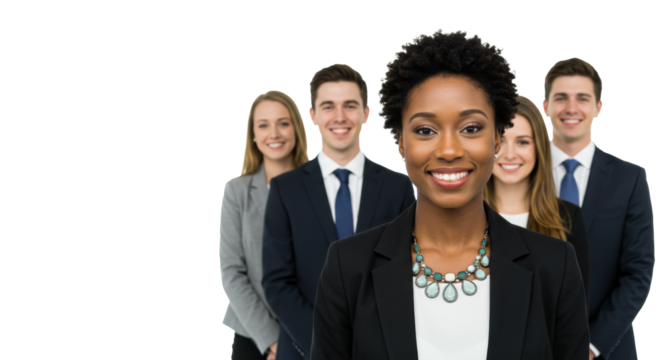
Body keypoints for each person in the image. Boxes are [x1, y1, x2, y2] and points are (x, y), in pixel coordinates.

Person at [311, 27, 589, 359]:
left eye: (471, 128)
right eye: (425, 130)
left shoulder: (554, 266)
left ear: (498, 137)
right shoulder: (348, 267)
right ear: (400, 141)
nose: (448, 150)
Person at [262, 63, 415, 360]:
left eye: (350, 106)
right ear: (313, 115)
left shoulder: (397, 188)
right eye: (329, 107)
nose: (340, 117)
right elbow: (277, 282)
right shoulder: (285, 190)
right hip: (304, 349)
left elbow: (405, 273)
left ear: (366, 113)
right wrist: (326, 347)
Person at [541, 57, 654, 360]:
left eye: (582, 98)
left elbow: (638, 272)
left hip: (607, 350)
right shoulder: (522, 176)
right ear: (545, 106)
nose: (571, 108)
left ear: (598, 108)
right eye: (561, 98)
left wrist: (591, 346)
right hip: (535, 345)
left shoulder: (629, 179)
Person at [220, 89, 310, 360]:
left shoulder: (317, 188)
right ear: (254, 135)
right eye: (264, 125)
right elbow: (232, 272)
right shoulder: (237, 191)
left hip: (308, 332)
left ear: (296, 129)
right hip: (253, 334)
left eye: (283, 123)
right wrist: (271, 341)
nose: (274, 134)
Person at [484, 94, 589, 299]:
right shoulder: (464, 217)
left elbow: (578, 309)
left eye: (522, 142)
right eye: (500, 141)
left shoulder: (568, 218)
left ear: (538, 147)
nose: (510, 154)